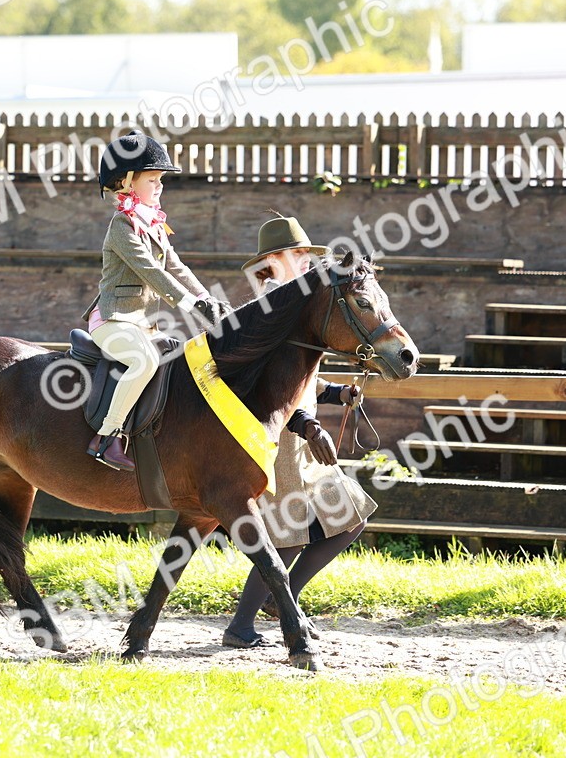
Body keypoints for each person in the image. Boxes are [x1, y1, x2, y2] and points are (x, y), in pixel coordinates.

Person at [223, 214, 378, 648]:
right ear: (273, 261)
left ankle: (284, 598)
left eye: (309, 254)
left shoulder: (301, 302)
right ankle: (240, 626)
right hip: (281, 438)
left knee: (350, 518)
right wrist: (308, 424)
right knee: (289, 537)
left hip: (304, 437)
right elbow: (270, 385)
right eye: (297, 255)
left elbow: (302, 378)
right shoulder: (269, 307)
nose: (306, 261)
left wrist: (336, 394)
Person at [83, 130, 231, 471]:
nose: (160, 186)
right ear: (126, 182)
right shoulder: (122, 224)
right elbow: (151, 271)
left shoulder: (152, 223)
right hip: (113, 320)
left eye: (161, 179)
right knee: (145, 361)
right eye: (152, 179)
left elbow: (175, 266)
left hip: (142, 322)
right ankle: (107, 438)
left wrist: (208, 298)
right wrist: (193, 306)